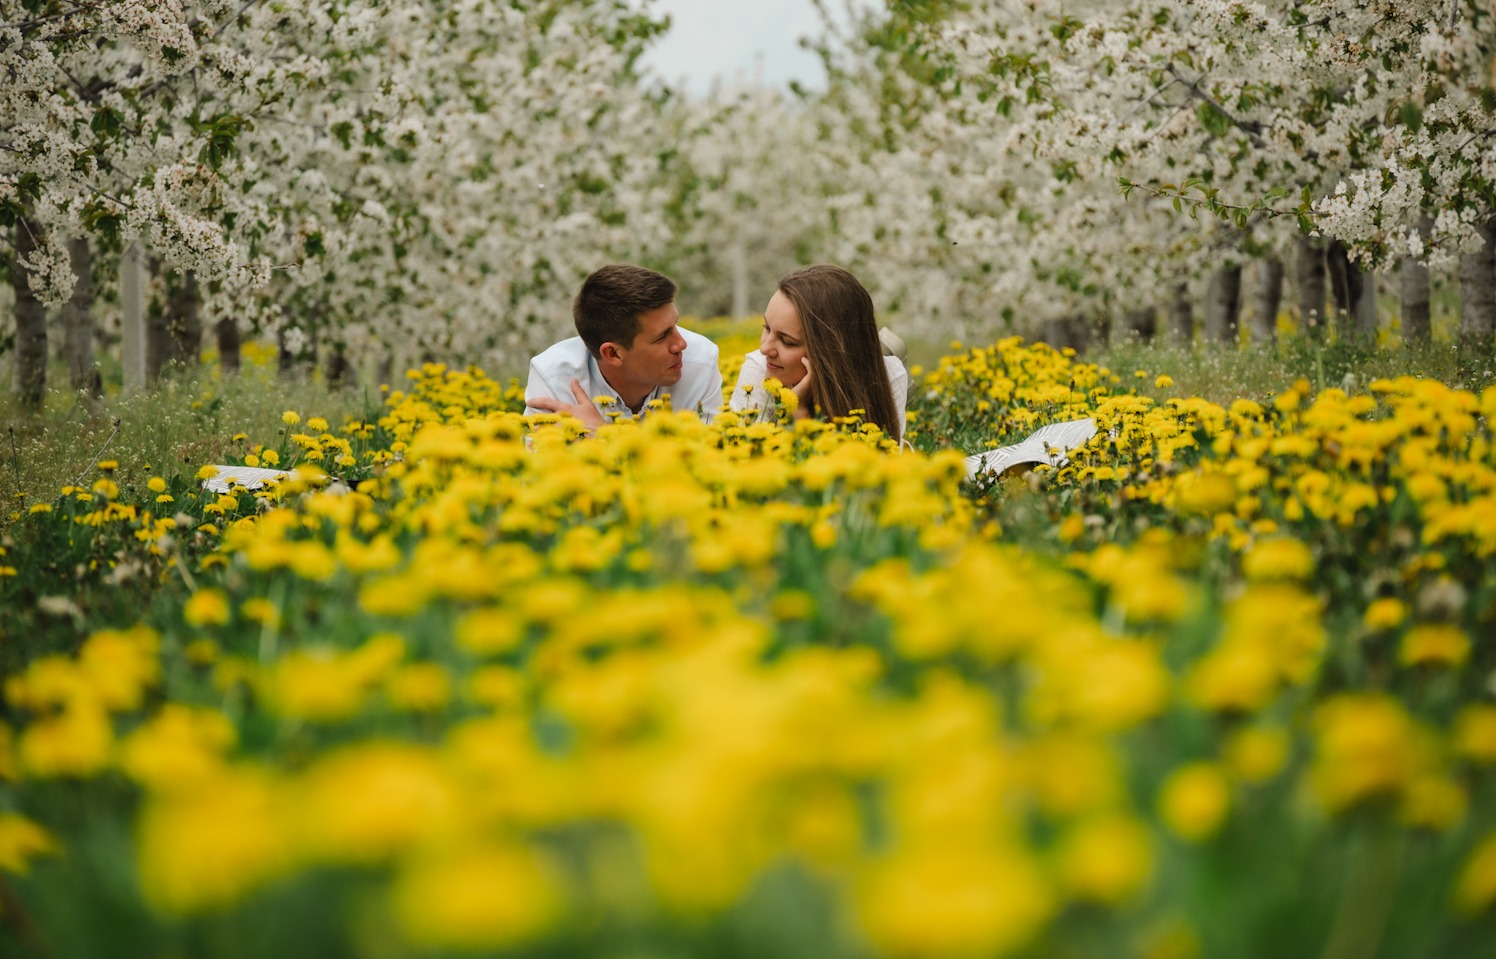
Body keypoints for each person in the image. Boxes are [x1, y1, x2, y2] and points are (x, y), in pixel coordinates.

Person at [526, 264, 722, 428]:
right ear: (612, 354)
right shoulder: (553, 379)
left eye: (675, 325)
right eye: (662, 336)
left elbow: (710, 464)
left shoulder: (701, 363)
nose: (681, 344)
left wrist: (603, 437)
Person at [729, 264, 907, 443]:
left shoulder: (889, 374)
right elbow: (749, 461)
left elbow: (885, 462)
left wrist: (800, 417)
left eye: (787, 342)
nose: (765, 349)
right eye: (767, 328)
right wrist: (794, 410)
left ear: (829, 352)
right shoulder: (759, 370)